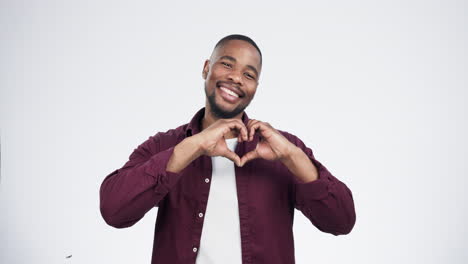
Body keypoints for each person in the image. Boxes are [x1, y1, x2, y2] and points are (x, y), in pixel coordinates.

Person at [99, 34, 356, 264]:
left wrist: (293, 157)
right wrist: (192, 147)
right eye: (227, 64)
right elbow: (114, 210)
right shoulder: (164, 146)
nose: (235, 78)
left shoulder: (284, 149)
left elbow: (341, 222)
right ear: (206, 68)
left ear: (255, 88)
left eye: (249, 74)